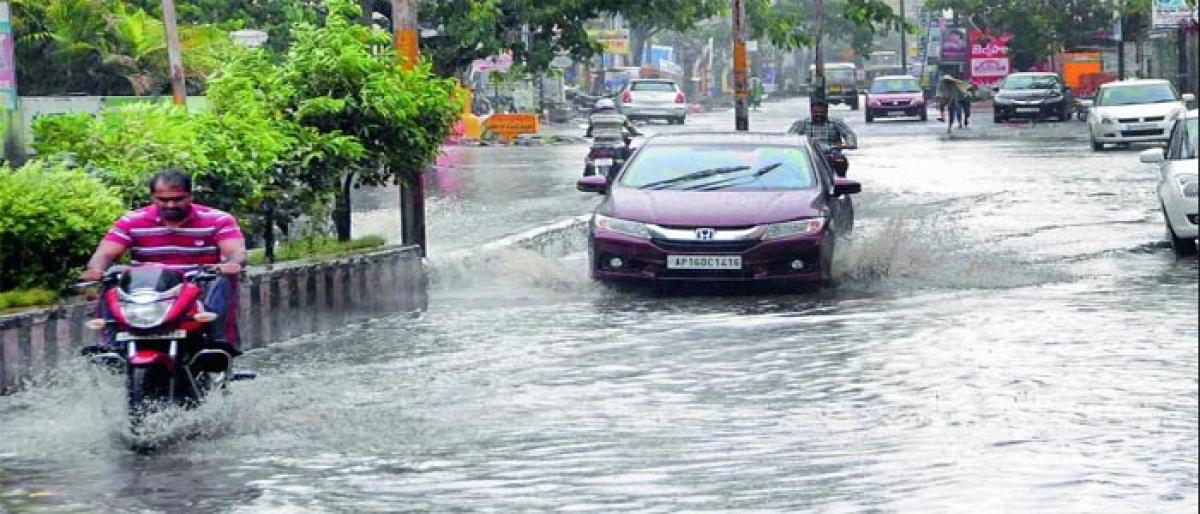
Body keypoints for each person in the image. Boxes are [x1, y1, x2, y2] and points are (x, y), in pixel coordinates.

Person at [82, 169, 246, 354]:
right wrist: (96, 269)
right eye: (163, 199)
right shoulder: (131, 221)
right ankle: (112, 345)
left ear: (190, 196)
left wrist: (231, 264)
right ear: (152, 197)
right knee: (111, 278)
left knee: (221, 279)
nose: (170, 204)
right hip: (147, 291)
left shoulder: (218, 220)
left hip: (195, 288)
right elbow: (105, 254)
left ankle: (217, 342)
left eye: (178, 199)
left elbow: (235, 251)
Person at [787, 101, 858, 150]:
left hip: (831, 154)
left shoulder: (835, 122)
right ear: (811, 111)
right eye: (816, 112)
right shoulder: (802, 123)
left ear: (827, 111)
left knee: (841, 162)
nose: (819, 114)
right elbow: (789, 137)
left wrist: (850, 143)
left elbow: (849, 134)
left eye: (822, 112)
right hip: (810, 156)